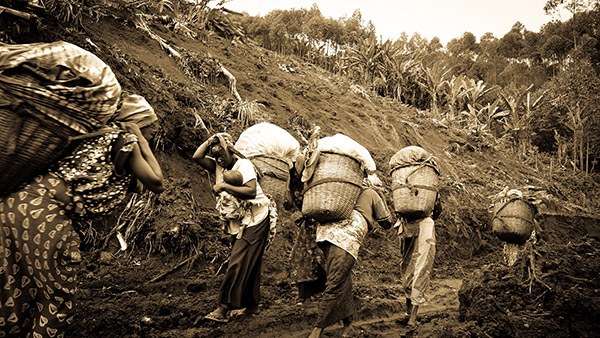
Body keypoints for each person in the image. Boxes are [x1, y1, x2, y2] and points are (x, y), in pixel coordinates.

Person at [0, 94, 165, 338]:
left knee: (14, 293)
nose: (154, 136)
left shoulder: (98, 138)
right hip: (46, 217)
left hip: (16, 203)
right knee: (58, 303)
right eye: (152, 130)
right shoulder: (126, 140)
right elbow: (157, 182)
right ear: (139, 124)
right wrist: (140, 138)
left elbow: (134, 183)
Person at [193, 133, 271, 323]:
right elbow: (197, 157)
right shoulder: (219, 166)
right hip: (239, 220)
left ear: (230, 150)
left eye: (222, 154)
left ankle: (223, 308)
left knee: (237, 261)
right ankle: (251, 305)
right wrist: (212, 139)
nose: (219, 159)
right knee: (249, 262)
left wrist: (224, 186)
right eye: (216, 155)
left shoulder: (243, 165)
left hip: (256, 218)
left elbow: (250, 191)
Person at [309, 181, 394, 338]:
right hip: (345, 239)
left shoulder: (344, 193)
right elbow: (387, 223)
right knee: (335, 284)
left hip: (325, 235)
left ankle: (348, 326)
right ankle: (316, 332)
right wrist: (382, 198)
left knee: (343, 280)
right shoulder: (371, 194)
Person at [286, 155, 326, 305]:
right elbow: (288, 204)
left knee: (320, 259)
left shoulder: (313, 179)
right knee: (301, 259)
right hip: (307, 226)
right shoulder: (292, 180)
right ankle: (307, 295)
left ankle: (333, 293)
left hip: (319, 224)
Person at [397, 196, 442, 327]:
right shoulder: (428, 189)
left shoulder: (403, 190)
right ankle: (410, 316)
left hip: (408, 226)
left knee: (409, 269)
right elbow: (438, 211)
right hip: (421, 227)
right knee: (418, 269)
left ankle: (410, 315)